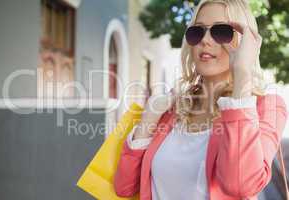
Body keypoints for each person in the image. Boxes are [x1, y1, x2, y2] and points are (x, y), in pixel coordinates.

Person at [114, 0, 288, 199]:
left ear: (244, 42)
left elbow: (240, 185)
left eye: (221, 31)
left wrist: (242, 76)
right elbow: (124, 188)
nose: (205, 40)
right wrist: (148, 120)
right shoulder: (172, 107)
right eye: (197, 32)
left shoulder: (267, 107)